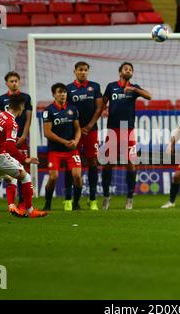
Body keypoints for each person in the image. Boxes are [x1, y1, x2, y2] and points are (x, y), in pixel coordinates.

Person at [0, 95, 47, 218]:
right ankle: (30, 211)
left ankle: (12, 207)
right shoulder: (12, 122)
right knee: (26, 177)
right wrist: (25, 159)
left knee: (11, 179)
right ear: (21, 107)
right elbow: (10, 147)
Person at [101, 62, 151, 210]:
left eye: (130, 69)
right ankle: (106, 196)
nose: (128, 71)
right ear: (120, 72)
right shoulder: (111, 87)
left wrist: (134, 89)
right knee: (108, 162)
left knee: (131, 163)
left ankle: (129, 198)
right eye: (125, 69)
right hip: (112, 129)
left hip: (128, 130)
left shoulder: (134, 87)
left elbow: (149, 96)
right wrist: (103, 110)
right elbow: (103, 102)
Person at [0, 71, 32, 213]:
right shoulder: (0, 100)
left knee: (21, 169)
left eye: (16, 81)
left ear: (19, 82)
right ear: (6, 83)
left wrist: (24, 135)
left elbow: (28, 118)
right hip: (4, 140)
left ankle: (21, 202)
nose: (14, 83)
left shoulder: (26, 98)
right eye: (11, 81)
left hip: (20, 138)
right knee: (0, 171)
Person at [65, 61, 103, 211]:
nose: (83, 72)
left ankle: (93, 199)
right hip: (73, 132)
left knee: (92, 161)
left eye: (85, 70)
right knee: (71, 164)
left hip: (91, 130)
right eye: (80, 70)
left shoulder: (95, 86)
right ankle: (68, 199)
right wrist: (77, 128)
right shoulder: (68, 89)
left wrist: (88, 125)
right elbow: (65, 109)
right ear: (74, 71)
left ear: (88, 71)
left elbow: (100, 107)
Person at [42, 83, 82, 211]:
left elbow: (78, 129)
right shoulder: (48, 111)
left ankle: (76, 204)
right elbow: (47, 133)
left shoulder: (72, 109)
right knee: (53, 177)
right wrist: (64, 141)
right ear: (54, 94)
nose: (63, 94)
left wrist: (76, 141)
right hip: (55, 151)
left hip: (72, 150)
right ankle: (47, 204)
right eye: (59, 92)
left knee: (77, 176)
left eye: (64, 92)